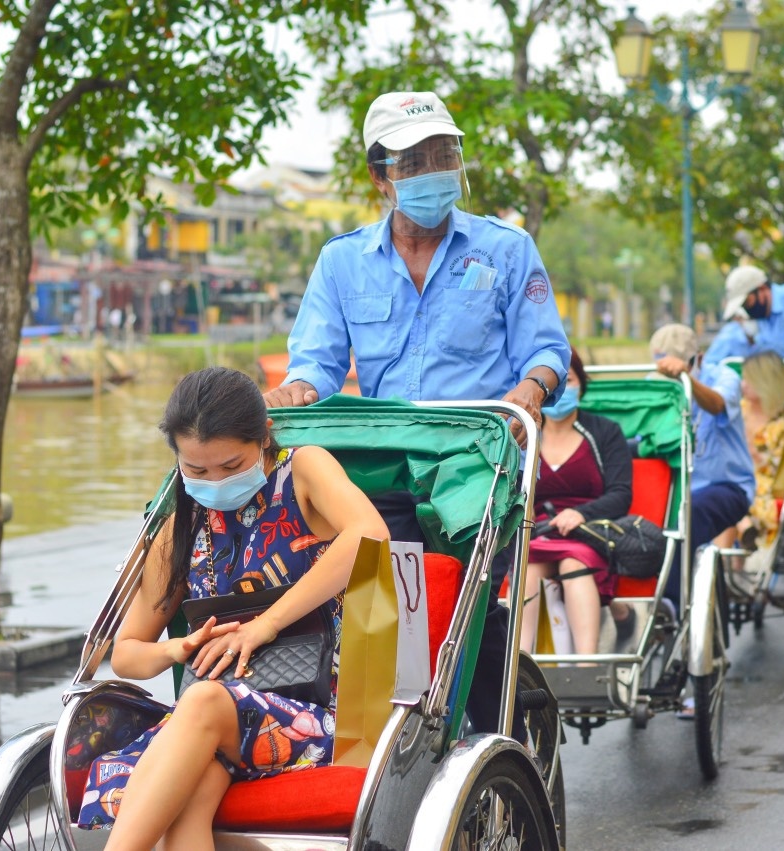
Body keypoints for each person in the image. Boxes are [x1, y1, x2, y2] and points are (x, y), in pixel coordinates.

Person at [262, 90, 571, 737]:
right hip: (390, 466)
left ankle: (497, 748)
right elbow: (315, 364)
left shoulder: (506, 249)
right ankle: (385, 746)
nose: (434, 170)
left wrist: (531, 390)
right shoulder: (342, 260)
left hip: (478, 465)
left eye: (444, 155)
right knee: (385, 604)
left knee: (474, 607)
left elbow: (546, 348)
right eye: (416, 160)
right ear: (382, 176)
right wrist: (295, 391)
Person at [77, 367, 388, 848]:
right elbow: (128, 653)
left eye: (230, 465)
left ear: (263, 437)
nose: (214, 482)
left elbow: (371, 535)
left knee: (201, 700)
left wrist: (263, 626)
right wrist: (179, 647)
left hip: (320, 711)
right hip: (214, 725)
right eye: (196, 470)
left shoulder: (302, 471)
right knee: (187, 808)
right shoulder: (181, 524)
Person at [520, 350, 634, 655]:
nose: (560, 392)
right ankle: (519, 666)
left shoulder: (605, 432)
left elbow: (621, 494)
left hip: (589, 531)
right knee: (525, 568)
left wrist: (581, 514)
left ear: (582, 385)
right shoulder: (524, 435)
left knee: (574, 562)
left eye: (568, 381)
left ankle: (587, 664)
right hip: (538, 533)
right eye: (552, 386)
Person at [650, 324, 755, 607]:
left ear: (699, 358)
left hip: (727, 486)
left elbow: (718, 404)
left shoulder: (723, 376)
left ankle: (669, 602)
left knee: (688, 513)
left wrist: (685, 378)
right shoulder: (654, 383)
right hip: (675, 488)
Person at [734, 350, 784, 550]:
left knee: (737, 501)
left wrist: (753, 454)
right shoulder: (736, 410)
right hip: (732, 475)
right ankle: (742, 530)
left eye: (748, 380)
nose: (743, 385)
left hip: (766, 483)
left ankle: (729, 560)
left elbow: (783, 465)